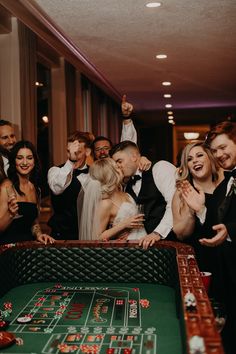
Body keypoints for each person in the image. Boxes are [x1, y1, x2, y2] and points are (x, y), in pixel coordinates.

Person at [203, 121, 236, 354]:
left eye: (223, 147)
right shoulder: (223, 185)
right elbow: (217, 223)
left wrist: (231, 230)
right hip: (229, 274)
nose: (219, 155)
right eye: (214, 151)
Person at [110, 140, 176, 249]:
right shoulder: (125, 184)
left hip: (171, 241)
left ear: (135, 157)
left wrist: (157, 233)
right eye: (115, 163)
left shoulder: (160, 168)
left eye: (119, 161)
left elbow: (174, 203)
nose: (118, 166)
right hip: (144, 246)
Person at [172, 142, 223, 276]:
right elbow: (181, 234)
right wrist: (191, 211)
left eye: (199, 155)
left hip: (226, 259)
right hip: (199, 263)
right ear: (187, 166)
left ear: (209, 158)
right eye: (189, 159)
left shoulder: (225, 187)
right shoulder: (181, 193)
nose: (195, 160)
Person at [0, 140, 54, 245]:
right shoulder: (6, 187)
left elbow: (34, 222)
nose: (24, 163)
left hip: (28, 249)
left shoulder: (35, 189)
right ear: (13, 161)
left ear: (34, 161)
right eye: (19, 158)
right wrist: (10, 215)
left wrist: (39, 235)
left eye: (29, 158)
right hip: (8, 250)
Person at [79, 158, 146, 241]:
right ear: (110, 174)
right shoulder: (105, 203)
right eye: (116, 167)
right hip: (127, 249)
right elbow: (96, 237)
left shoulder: (125, 192)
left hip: (143, 240)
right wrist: (123, 225)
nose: (120, 167)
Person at [47, 131, 92, 240]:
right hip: (60, 236)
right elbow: (57, 189)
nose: (73, 156)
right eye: (69, 152)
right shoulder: (55, 171)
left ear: (87, 152)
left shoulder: (94, 173)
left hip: (88, 236)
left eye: (77, 152)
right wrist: (71, 161)